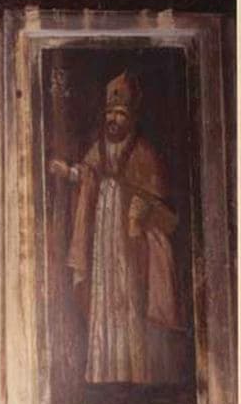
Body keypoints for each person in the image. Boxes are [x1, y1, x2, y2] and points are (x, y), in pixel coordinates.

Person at [49, 69, 183, 385]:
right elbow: (86, 173)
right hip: (103, 236)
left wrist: (141, 213)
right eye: (110, 112)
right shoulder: (100, 148)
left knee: (129, 298)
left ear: (131, 117)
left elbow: (161, 207)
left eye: (120, 113)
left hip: (131, 243)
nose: (113, 119)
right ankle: (104, 371)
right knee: (103, 295)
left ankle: (134, 373)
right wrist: (67, 171)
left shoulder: (143, 153)